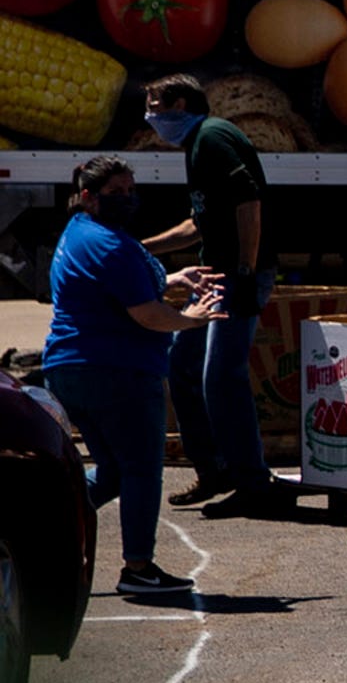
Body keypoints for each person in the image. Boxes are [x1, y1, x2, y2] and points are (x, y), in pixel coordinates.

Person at [42, 156, 218, 600]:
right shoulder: (109, 244)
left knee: (115, 472)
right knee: (141, 469)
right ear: (87, 196)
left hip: (73, 368)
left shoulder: (81, 234)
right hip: (114, 372)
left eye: (130, 190)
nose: (127, 199)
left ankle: (37, 525)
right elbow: (147, 315)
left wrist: (173, 276)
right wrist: (192, 318)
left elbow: (117, 287)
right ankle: (138, 567)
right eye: (116, 192)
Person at [140, 75, 274, 515]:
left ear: (180, 102)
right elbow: (200, 222)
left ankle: (251, 483)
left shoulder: (212, 138)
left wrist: (245, 273)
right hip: (216, 278)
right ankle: (213, 471)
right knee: (181, 364)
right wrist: (141, 248)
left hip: (232, 278)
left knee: (221, 377)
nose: (151, 115)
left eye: (155, 105)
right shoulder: (198, 142)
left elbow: (248, 204)